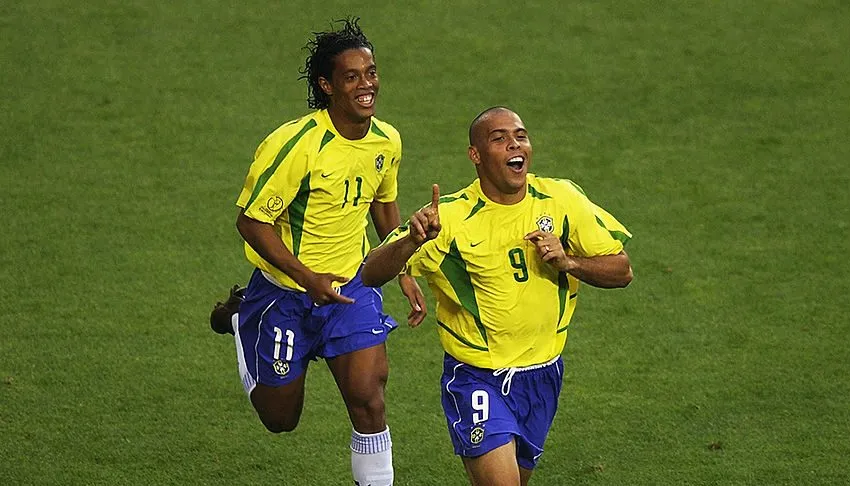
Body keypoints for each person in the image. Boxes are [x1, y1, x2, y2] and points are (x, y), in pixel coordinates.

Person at [361, 106, 633, 486]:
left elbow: (623, 270)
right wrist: (411, 240)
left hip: (543, 376)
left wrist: (570, 263)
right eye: (499, 138)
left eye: (520, 136)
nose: (514, 144)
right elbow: (371, 272)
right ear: (475, 155)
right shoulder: (451, 218)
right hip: (477, 378)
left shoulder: (561, 199)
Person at [209, 18, 426, 486]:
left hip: (352, 289)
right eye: (352, 77)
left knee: (369, 398)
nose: (367, 85)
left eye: (371, 72)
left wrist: (404, 269)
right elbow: (251, 221)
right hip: (287, 295)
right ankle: (242, 317)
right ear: (327, 86)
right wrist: (308, 278)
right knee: (280, 418)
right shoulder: (295, 146)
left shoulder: (387, 140)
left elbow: (383, 205)